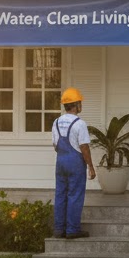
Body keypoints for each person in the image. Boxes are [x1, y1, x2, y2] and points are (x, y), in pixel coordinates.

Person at [52, 87, 96, 239]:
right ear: (76, 104)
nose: (81, 105)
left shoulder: (56, 122)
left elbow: (55, 145)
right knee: (75, 195)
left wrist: (64, 156)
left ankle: (59, 229)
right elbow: (84, 147)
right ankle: (72, 230)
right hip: (75, 162)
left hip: (61, 161)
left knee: (60, 195)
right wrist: (90, 166)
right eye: (80, 102)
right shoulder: (80, 124)